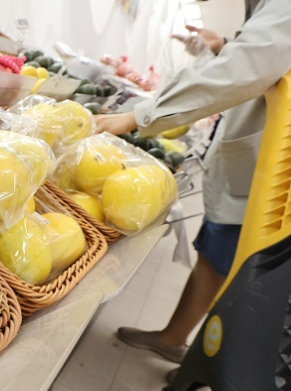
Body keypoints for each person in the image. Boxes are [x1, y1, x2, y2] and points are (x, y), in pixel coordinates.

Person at [95, 0, 291, 367]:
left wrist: (142, 116)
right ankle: (175, 342)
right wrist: (223, 46)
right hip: (260, 169)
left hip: (273, 177)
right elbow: (264, 56)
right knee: (216, 257)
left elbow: (246, 67)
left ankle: (212, 367)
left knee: (237, 269)